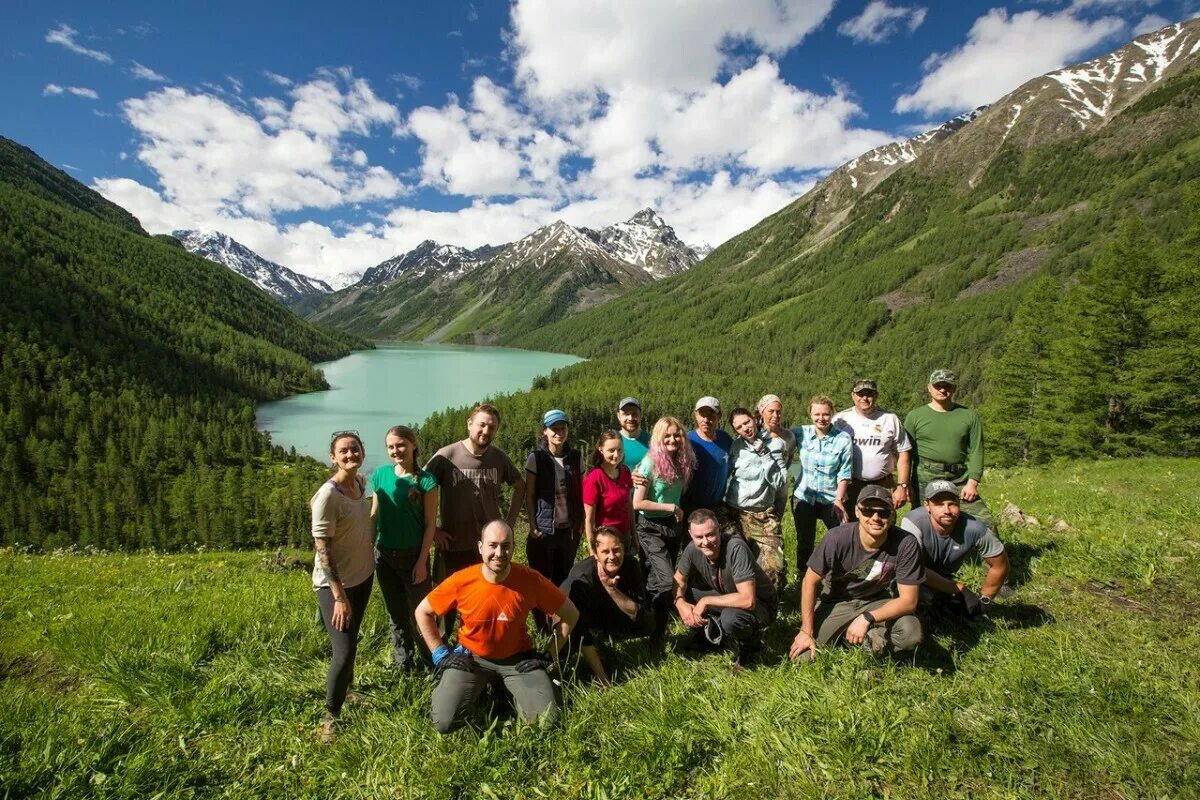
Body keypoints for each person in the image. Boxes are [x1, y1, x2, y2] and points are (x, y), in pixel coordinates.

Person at [415, 521, 579, 734]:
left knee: (546, 724)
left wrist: (549, 654)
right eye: (492, 545)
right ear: (481, 547)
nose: (499, 553)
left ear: (513, 547)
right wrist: (440, 653)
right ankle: (480, 688)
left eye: (506, 546)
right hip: (471, 659)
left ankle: (505, 687)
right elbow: (423, 612)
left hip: (518, 660)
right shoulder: (462, 580)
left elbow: (571, 614)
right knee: (444, 722)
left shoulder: (530, 580)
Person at [788, 485, 924, 662]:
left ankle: (870, 637)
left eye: (883, 512)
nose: (875, 518)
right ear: (857, 511)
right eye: (868, 511)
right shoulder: (836, 537)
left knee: (910, 634)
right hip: (837, 601)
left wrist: (867, 617)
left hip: (876, 601)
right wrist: (806, 630)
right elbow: (809, 581)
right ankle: (855, 637)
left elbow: (909, 601)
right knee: (803, 658)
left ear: (892, 515)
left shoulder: (906, 543)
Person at [425, 403, 525, 635]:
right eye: (481, 424)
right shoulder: (446, 456)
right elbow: (419, 490)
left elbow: (520, 485)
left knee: (486, 596)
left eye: (492, 427)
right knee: (446, 599)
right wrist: (433, 532)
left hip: (489, 548)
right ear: (470, 424)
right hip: (453, 543)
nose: (486, 431)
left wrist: (509, 523)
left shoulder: (498, 458)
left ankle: (480, 642)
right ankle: (441, 649)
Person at [310, 431, 375, 743]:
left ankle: (347, 692)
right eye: (343, 452)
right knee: (344, 650)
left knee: (352, 643)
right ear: (332, 458)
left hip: (363, 577)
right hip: (336, 587)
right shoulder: (328, 495)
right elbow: (323, 549)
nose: (350, 455)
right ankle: (331, 715)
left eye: (355, 449)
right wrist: (338, 596)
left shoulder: (361, 483)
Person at [368, 425, 439, 670]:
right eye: (391, 446)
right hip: (384, 555)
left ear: (413, 445)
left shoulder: (427, 481)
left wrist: (422, 561)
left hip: (413, 556)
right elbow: (374, 516)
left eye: (401, 445)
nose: (396, 450)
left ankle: (432, 662)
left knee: (421, 614)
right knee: (395, 614)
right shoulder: (379, 476)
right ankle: (404, 664)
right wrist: (367, 548)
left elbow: (430, 524)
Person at [673, 509, 777, 663]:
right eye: (699, 537)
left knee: (730, 618)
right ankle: (711, 633)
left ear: (719, 529)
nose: (705, 542)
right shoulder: (692, 549)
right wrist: (680, 602)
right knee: (676, 593)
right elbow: (678, 580)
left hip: (760, 605)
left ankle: (751, 646)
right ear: (690, 534)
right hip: (726, 595)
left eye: (710, 535)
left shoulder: (736, 548)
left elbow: (748, 600)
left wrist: (705, 601)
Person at [900, 480, 1009, 618]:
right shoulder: (913, 522)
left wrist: (984, 600)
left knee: (960, 610)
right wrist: (958, 588)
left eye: (952, 504)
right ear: (927, 506)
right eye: (939, 504)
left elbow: (1000, 565)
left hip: (944, 577)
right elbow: (912, 568)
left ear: (959, 503)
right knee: (921, 600)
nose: (947, 511)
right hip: (910, 577)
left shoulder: (974, 528)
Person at [560, 526, 654, 685]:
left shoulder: (631, 565)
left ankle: (609, 636)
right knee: (570, 640)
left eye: (617, 550)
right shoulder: (581, 576)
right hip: (577, 620)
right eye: (605, 552)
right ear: (596, 554)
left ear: (624, 549)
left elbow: (638, 611)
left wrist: (611, 589)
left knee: (648, 621)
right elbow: (570, 619)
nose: (612, 556)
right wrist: (601, 675)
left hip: (611, 612)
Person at [632, 416, 696, 641]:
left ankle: (654, 632)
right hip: (650, 527)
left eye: (676, 435)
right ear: (658, 437)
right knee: (667, 578)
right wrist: (672, 507)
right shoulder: (650, 462)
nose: (672, 439)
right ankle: (658, 626)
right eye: (667, 435)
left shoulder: (681, 460)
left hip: (672, 527)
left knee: (653, 580)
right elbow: (638, 503)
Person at [904, 369, 991, 524]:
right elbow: (906, 454)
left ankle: (982, 547)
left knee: (984, 523)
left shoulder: (969, 416)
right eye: (938, 386)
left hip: (959, 478)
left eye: (947, 386)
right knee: (922, 521)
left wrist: (973, 482)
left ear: (954, 388)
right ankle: (919, 548)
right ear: (929, 388)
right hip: (925, 476)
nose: (943, 390)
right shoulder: (915, 416)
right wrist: (906, 484)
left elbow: (977, 450)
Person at [724, 407, 789, 590]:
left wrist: (763, 454)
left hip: (763, 514)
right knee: (736, 561)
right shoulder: (736, 446)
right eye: (739, 427)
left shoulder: (776, 445)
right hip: (736, 512)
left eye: (747, 422)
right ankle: (739, 599)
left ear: (755, 419)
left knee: (775, 565)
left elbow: (780, 481)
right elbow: (726, 473)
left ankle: (771, 603)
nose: (745, 428)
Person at [523, 409, 585, 602]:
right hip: (544, 531)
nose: (559, 432)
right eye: (554, 429)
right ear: (545, 431)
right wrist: (533, 526)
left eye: (562, 428)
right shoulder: (536, 458)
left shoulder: (576, 457)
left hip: (568, 531)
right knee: (540, 580)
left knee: (564, 580)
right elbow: (530, 495)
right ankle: (542, 625)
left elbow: (582, 493)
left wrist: (581, 522)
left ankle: (559, 624)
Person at [791, 394, 854, 574]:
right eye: (817, 414)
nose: (821, 418)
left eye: (825, 414)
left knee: (840, 537)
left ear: (832, 414)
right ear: (810, 414)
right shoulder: (801, 433)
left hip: (831, 498)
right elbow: (779, 434)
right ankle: (803, 575)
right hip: (804, 496)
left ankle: (839, 575)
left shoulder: (843, 439)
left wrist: (839, 500)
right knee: (804, 540)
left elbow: (845, 472)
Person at [833, 379, 913, 516]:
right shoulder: (840, 420)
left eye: (869, 394)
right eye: (860, 394)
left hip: (883, 484)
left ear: (876, 396)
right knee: (850, 526)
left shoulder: (890, 419)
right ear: (853, 395)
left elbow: (903, 453)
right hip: (850, 485)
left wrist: (902, 486)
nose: (864, 398)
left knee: (883, 523)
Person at [681, 396, 734, 522]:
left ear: (719, 416)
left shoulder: (725, 439)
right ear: (695, 415)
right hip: (691, 507)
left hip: (718, 505)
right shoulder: (687, 440)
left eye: (711, 415)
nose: (706, 420)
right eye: (702, 415)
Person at [582, 431, 634, 554]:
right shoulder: (594, 478)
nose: (616, 455)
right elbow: (589, 519)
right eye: (611, 450)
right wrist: (593, 551)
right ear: (601, 449)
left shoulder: (625, 471)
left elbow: (629, 506)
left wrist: (634, 535)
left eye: (619, 450)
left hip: (624, 537)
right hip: (605, 542)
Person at [757, 394, 796, 468]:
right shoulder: (754, 435)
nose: (775, 415)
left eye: (778, 412)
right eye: (771, 411)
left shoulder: (789, 436)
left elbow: (787, 463)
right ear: (761, 412)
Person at [617, 397, 651, 472]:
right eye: (626, 414)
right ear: (618, 416)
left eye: (634, 414)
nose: (630, 418)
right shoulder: (612, 442)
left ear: (641, 415)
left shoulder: (652, 441)